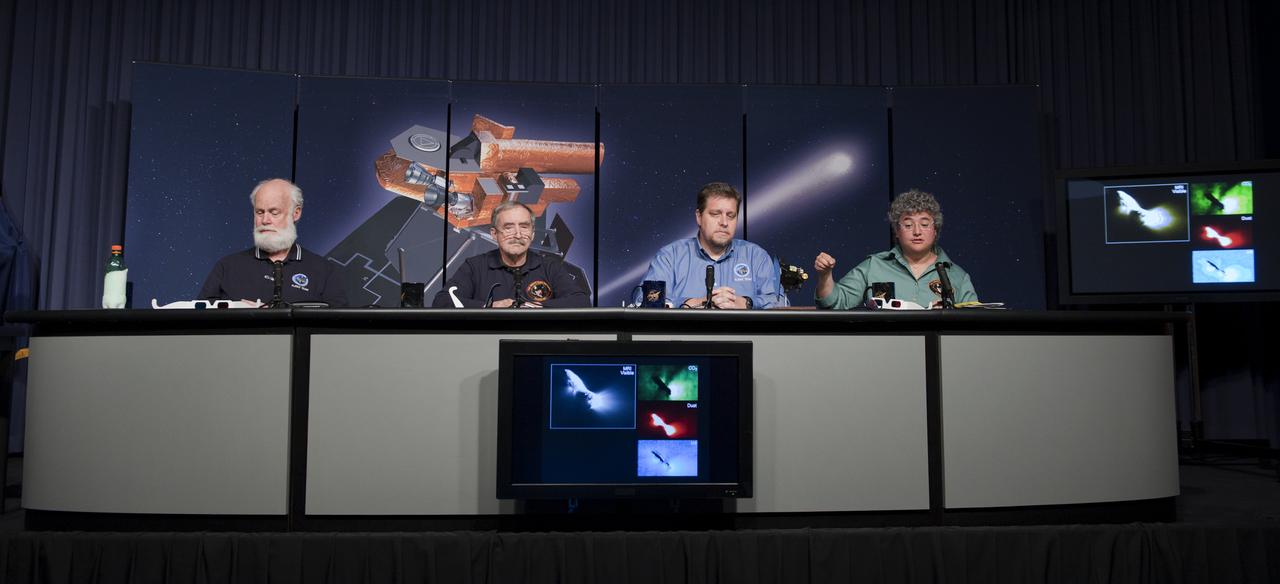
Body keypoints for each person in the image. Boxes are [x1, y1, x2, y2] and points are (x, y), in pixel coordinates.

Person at [814, 189, 977, 310]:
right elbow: (833, 303)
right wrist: (825, 276)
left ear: (935, 230)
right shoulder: (874, 266)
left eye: (925, 224)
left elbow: (973, 325)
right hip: (884, 351)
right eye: (908, 224)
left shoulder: (958, 277)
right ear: (897, 231)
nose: (917, 231)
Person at [200, 178, 347, 307]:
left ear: (296, 213)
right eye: (259, 212)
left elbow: (338, 327)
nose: (265, 220)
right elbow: (198, 317)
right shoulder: (227, 267)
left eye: (274, 212)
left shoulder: (324, 271)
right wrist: (237, 310)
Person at [641, 182, 786, 309]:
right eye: (716, 214)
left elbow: (781, 303)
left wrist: (747, 303)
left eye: (731, 215)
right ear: (699, 217)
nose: (724, 222)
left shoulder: (756, 257)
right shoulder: (670, 256)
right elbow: (646, 300)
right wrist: (701, 302)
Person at [432, 201, 591, 308]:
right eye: (508, 227)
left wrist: (537, 307)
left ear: (533, 234)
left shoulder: (550, 267)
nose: (517, 234)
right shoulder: (474, 266)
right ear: (494, 234)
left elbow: (581, 302)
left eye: (524, 227)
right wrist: (488, 307)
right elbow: (443, 301)